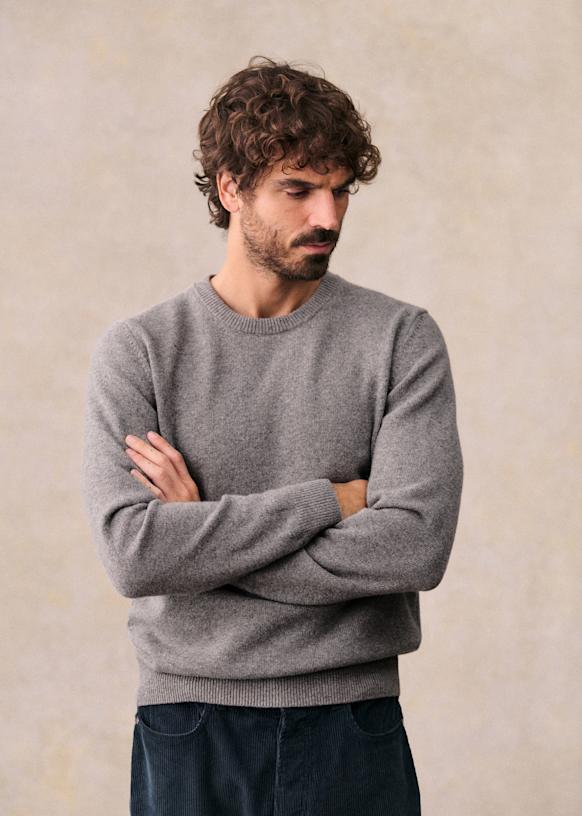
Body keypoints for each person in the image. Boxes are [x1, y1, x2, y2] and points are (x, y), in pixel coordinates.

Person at [82, 55, 463, 816]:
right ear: (231, 188)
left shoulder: (399, 339)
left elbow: (414, 546)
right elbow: (135, 554)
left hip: (351, 723)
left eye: (340, 190)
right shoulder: (141, 351)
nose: (329, 216)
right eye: (299, 189)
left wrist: (199, 534)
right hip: (189, 725)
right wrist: (329, 500)